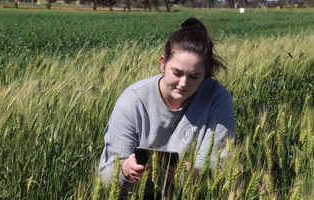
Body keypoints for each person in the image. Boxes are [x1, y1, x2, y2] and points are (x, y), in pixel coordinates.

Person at [98, 17, 235, 199]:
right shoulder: (133, 100)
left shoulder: (217, 98)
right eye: (176, 73)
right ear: (163, 63)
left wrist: (193, 174)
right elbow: (106, 176)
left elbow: (217, 166)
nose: (183, 83)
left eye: (194, 76)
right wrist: (124, 171)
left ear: (207, 71)